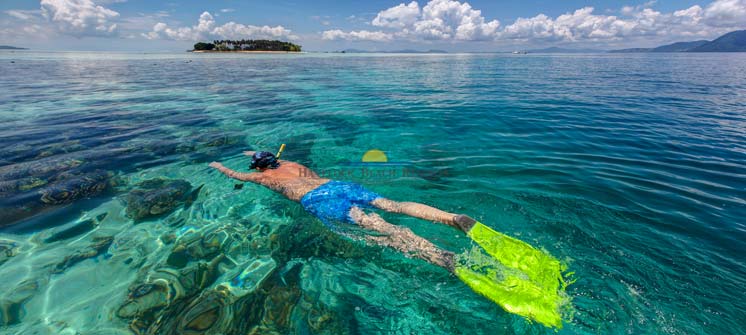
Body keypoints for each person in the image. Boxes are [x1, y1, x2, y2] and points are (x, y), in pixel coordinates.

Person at [209, 150, 477, 271]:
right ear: (275, 160)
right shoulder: (292, 162)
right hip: (338, 185)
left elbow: (235, 175)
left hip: (319, 200)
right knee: (392, 206)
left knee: (383, 230)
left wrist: (218, 167)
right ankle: (451, 218)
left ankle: (440, 257)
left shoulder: (261, 178)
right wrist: (252, 153)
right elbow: (263, 156)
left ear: (258, 168)